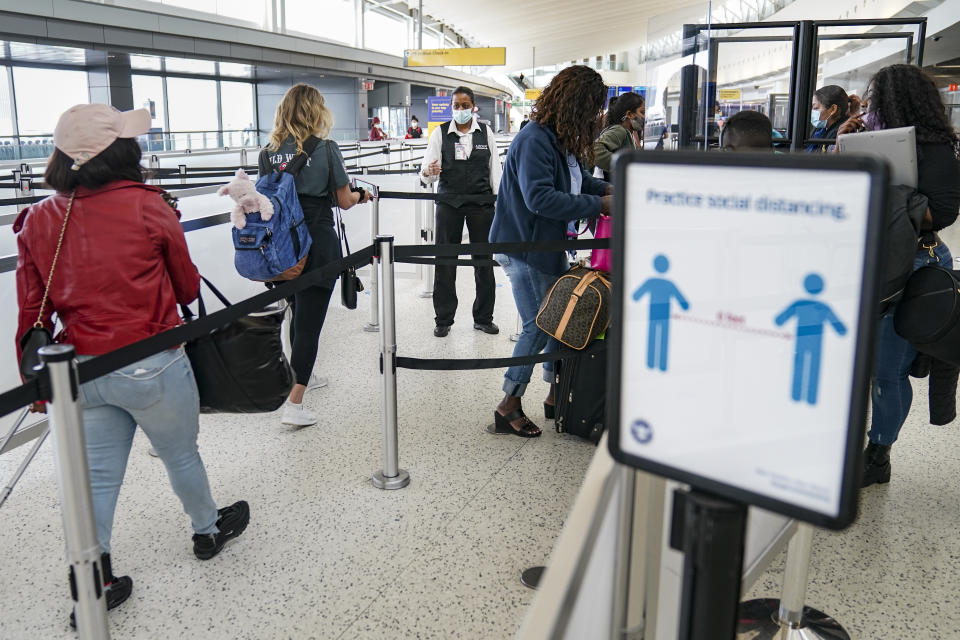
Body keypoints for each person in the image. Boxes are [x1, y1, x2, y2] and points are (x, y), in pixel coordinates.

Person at [14, 104, 249, 623]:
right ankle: (208, 532)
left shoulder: (38, 218)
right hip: (153, 362)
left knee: (96, 478)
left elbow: (33, 311)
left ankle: (95, 579)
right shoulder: (147, 207)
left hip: (83, 369)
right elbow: (186, 287)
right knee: (180, 455)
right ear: (121, 153)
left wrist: (35, 382)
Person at [836, 65, 960, 486]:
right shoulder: (864, 141)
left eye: (875, 98)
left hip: (914, 265)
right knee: (862, 367)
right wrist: (844, 146)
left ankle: (878, 454)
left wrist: (884, 191)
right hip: (869, 264)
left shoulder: (937, 149)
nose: (869, 105)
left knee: (887, 371)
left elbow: (939, 212)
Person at [489, 65, 612, 437]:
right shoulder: (534, 139)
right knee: (538, 327)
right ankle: (508, 405)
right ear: (576, 103)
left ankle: (556, 395)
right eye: (592, 107)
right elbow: (540, 198)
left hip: (547, 246)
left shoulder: (560, 140)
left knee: (561, 321)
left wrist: (612, 187)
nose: (596, 116)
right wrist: (600, 206)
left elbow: (579, 181)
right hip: (524, 246)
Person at [259, 84, 372, 426]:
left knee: (297, 312)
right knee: (309, 325)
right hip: (316, 244)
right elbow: (344, 200)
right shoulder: (325, 149)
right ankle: (293, 404)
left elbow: (268, 200)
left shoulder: (267, 152)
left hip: (281, 248)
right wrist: (363, 194)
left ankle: (301, 375)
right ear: (315, 111)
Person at [421, 85, 502, 337]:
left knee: (484, 263)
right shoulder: (440, 134)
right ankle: (443, 319)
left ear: (473, 107)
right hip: (449, 205)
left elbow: (495, 171)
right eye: (456, 106)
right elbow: (426, 170)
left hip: (481, 205)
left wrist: (500, 203)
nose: (460, 110)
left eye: (465, 105)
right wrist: (428, 172)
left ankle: (483, 317)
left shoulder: (485, 133)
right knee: (445, 262)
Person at [593, 91, 645, 180]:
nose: (645, 116)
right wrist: (622, 165)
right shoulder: (619, 130)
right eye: (642, 112)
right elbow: (594, 149)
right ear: (629, 114)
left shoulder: (628, 133)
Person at [806, 85, 849, 152]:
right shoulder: (821, 129)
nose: (812, 112)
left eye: (815, 108)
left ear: (832, 109)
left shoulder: (839, 133)